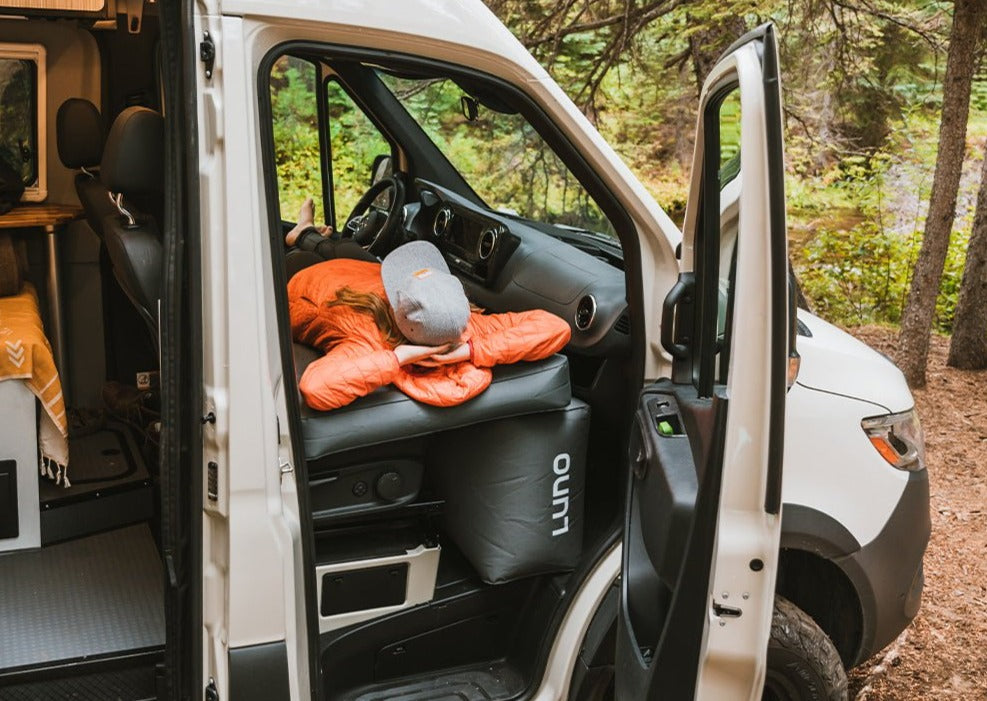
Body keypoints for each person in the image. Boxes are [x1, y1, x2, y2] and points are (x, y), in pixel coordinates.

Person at [286, 199, 571, 411]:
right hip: (364, 279)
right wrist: (470, 350)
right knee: (349, 249)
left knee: (318, 254)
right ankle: (308, 234)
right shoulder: (467, 325)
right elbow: (555, 327)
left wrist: (400, 357)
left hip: (309, 287)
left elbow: (315, 388)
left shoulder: (369, 345)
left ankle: (303, 235)